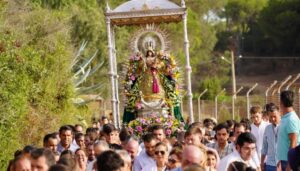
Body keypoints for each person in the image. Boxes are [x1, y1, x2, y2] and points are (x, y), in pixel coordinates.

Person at [276, 90, 300, 171]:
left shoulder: (291, 119)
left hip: (289, 161)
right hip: (284, 160)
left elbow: (294, 141)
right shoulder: (286, 117)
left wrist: (290, 164)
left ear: (281, 102)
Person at [261, 103, 280, 171]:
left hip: (283, 164)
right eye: (271, 116)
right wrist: (262, 162)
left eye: (275, 116)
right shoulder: (267, 129)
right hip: (270, 165)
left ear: (279, 114)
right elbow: (264, 147)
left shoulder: (285, 127)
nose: (273, 119)